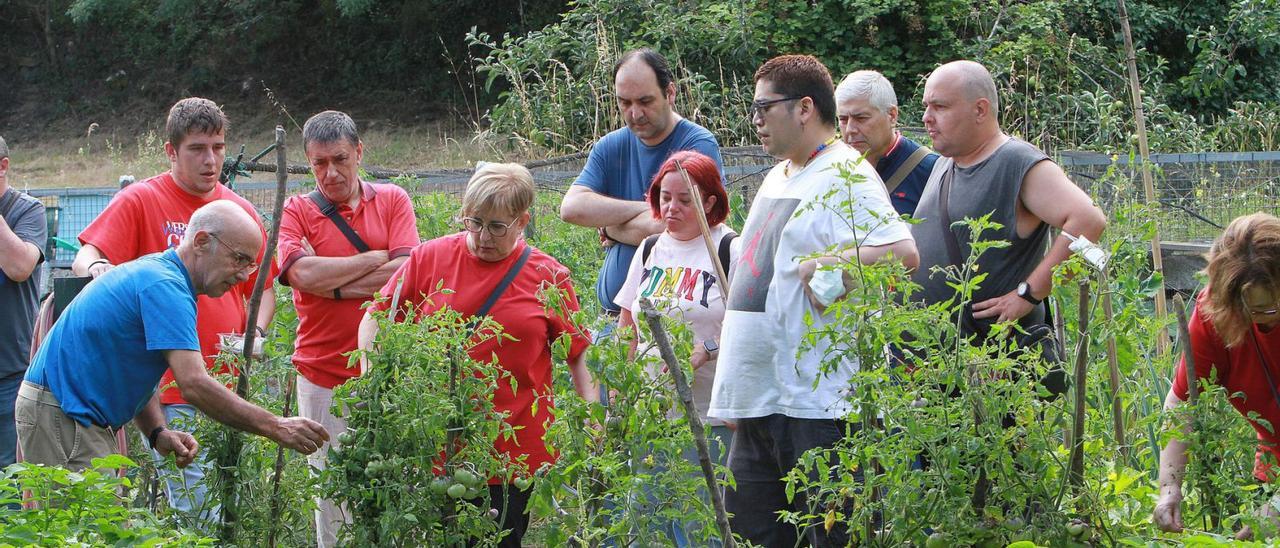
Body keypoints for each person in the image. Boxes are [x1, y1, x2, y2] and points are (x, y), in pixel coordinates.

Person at [707, 54, 919, 547]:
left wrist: (828, 266)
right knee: (750, 537)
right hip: (763, 396)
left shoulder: (847, 173)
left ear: (804, 108)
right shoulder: (780, 174)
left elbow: (902, 252)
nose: (756, 120)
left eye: (765, 107)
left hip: (820, 407)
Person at [358, 162, 598, 548]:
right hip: (437, 442)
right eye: (474, 222)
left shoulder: (548, 276)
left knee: (501, 538)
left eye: (497, 226)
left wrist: (593, 414)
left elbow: (577, 353)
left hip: (513, 452)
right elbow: (376, 314)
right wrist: (371, 375)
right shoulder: (430, 258)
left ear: (523, 221)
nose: (483, 236)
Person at [71, 97, 277, 523]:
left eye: (218, 148)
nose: (211, 160)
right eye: (197, 149)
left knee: (241, 510)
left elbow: (266, 287)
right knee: (199, 512)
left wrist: (255, 332)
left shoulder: (235, 212)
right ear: (171, 151)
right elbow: (87, 255)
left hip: (232, 383)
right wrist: (98, 269)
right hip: (175, 388)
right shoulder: (142, 200)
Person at [17, 201, 328, 474]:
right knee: (86, 535)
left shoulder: (162, 276)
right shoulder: (165, 286)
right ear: (202, 241)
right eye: (238, 259)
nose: (244, 275)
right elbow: (193, 384)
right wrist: (276, 425)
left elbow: (136, 369)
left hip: (67, 412)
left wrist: (156, 431)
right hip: (63, 413)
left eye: (251, 264)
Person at [277, 110, 420, 548]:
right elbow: (301, 276)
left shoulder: (393, 199)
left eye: (340, 159)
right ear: (308, 162)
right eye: (319, 163)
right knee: (331, 496)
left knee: (396, 491)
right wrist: (377, 257)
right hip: (321, 372)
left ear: (359, 152)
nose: (331, 172)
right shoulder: (297, 209)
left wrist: (333, 283)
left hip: (385, 373)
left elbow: (408, 271)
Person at [910, 60, 1106, 340]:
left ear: (980, 109)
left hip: (991, 366)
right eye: (926, 106)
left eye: (940, 107)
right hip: (931, 364)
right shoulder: (945, 162)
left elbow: (1090, 222)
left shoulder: (1015, 162)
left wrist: (1028, 294)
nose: (927, 117)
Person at [614, 150, 736, 546]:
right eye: (666, 197)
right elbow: (627, 324)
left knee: (701, 522)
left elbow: (752, 326)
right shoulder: (650, 248)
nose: (672, 208)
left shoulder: (729, 249)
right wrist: (620, 389)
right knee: (646, 520)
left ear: (711, 201)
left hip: (708, 416)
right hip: (651, 413)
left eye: (686, 199)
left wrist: (709, 348)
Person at [559, 48, 725, 319]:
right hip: (610, 318)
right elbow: (571, 208)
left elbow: (676, 226)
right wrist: (644, 209)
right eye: (624, 103)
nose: (635, 114)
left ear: (670, 93)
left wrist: (611, 229)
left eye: (645, 101)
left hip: (672, 323)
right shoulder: (610, 146)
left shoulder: (696, 145)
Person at [1154, 213, 1280, 540]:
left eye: (1273, 306)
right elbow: (1183, 404)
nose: (1266, 319)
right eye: (1253, 311)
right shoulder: (1216, 317)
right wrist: (1169, 487)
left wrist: (1274, 513)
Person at [0, 136, 47, 470]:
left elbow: (19, 267)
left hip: (10, 372)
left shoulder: (27, 210)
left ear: (3, 167)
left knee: (10, 485)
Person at [834, 70, 939, 216]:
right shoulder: (833, 169)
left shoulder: (931, 171)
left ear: (892, 115)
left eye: (861, 118)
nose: (850, 129)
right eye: (843, 119)